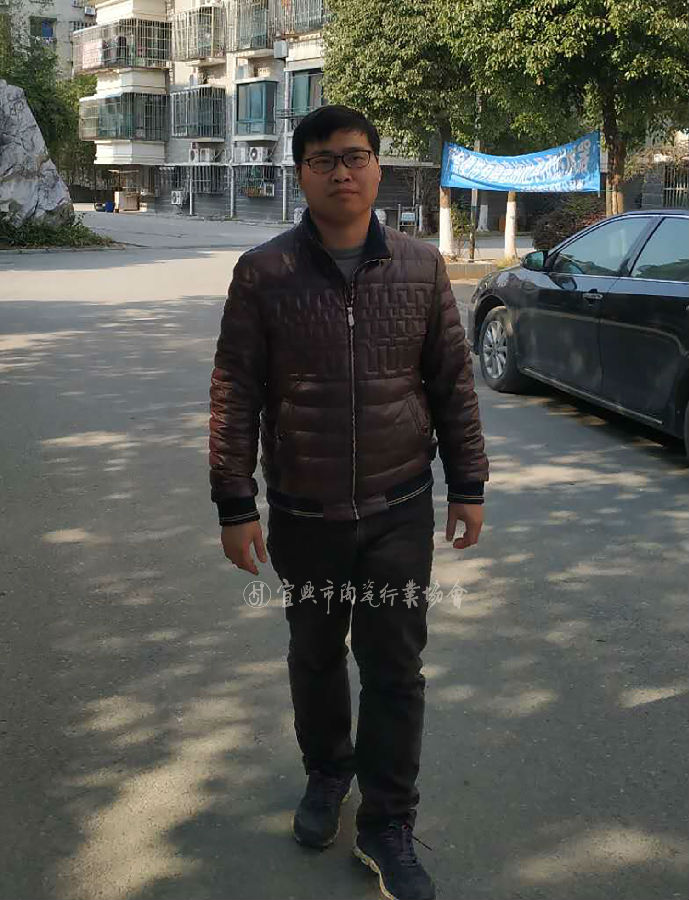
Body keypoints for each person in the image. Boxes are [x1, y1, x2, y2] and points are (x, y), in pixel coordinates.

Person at [209, 105, 489, 900]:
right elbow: (235, 393)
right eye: (324, 159)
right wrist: (235, 503)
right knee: (314, 653)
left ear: (376, 167)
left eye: (355, 156)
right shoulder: (264, 272)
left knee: (395, 667)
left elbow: (451, 383)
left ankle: (387, 822)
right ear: (301, 172)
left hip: (399, 505)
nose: (342, 172)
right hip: (304, 509)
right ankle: (328, 772)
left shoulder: (420, 266)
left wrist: (467, 484)